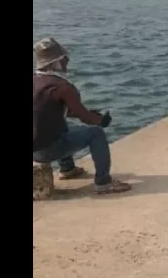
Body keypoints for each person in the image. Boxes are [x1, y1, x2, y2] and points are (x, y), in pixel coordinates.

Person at [32, 38, 131, 195]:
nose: (67, 61)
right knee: (96, 134)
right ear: (53, 63)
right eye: (63, 58)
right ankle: (103, 183)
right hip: (47, 151)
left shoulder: (36, 82)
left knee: (64, 126)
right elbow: (84, 117)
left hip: (35, 148)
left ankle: (68, 169)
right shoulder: (63, 87)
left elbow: (54, 111)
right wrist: (101, 120)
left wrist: (86, 113)